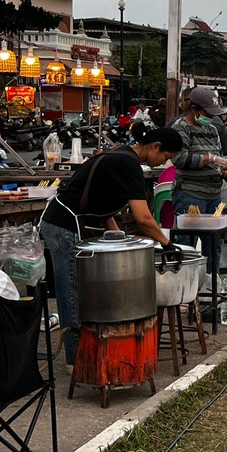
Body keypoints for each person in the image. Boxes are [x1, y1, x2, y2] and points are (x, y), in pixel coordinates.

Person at [39, 124, 183, 365]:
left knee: (84, 292)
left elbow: (101, 203)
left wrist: (119, 237)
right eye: (165, 157)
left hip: (75, 223)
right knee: (73, 293)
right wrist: (167, 244)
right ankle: (76, 362)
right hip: (64, 225)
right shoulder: (127, 164)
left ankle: (86, 352)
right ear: (155, 147)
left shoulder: (122, 156)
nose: (163, 163)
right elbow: (144, 218)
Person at [172, 86, 227, 273]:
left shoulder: (213, 129)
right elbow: (179, 159)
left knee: (214, 245)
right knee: (188, 247)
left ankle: (211, 287)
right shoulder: (180, 129)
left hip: (214, 195)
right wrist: (210, 159)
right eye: (207, 113)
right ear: (194, 109)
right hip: (190, 194)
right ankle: (188, 293)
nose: (211, 118)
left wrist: (223, 170)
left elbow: (218, 154)